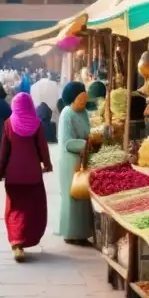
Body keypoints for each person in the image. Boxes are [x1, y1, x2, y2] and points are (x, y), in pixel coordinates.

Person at [0, 93, 52, 262]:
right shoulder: (37, 124)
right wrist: (47, 165)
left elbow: (3, 154)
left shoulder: (8, 124)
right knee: (32, 210)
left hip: (14, 177)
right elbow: (43, 148)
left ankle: (16, 243)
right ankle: (24, 240)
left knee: (15, 210)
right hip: (33, 176)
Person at [57, 82, 95, 244]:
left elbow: (88, 132)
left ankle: (82, 233)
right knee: (72, 196)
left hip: (84, 158)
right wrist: (87, 144)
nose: (83, 102)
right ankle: (70, 234)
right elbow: (66, 142)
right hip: (70, 160)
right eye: (80, 99)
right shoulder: (67, 113)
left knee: (83, 196)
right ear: (72, 99)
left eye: (84, 99)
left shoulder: (84, 112)